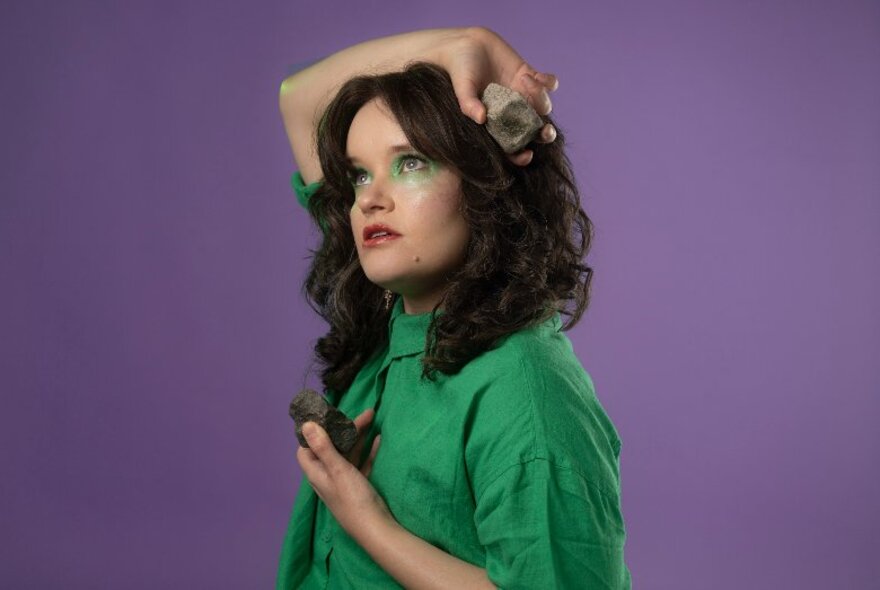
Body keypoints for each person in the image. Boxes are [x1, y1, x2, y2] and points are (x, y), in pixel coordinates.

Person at [276, 27, 632, 589]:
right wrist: (461, 45)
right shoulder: (396, 315)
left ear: (486, 186)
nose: (369, 198)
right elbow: (299, 96)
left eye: (411, 162)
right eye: (359, 173)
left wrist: (366, 521)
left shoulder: (525, 395)